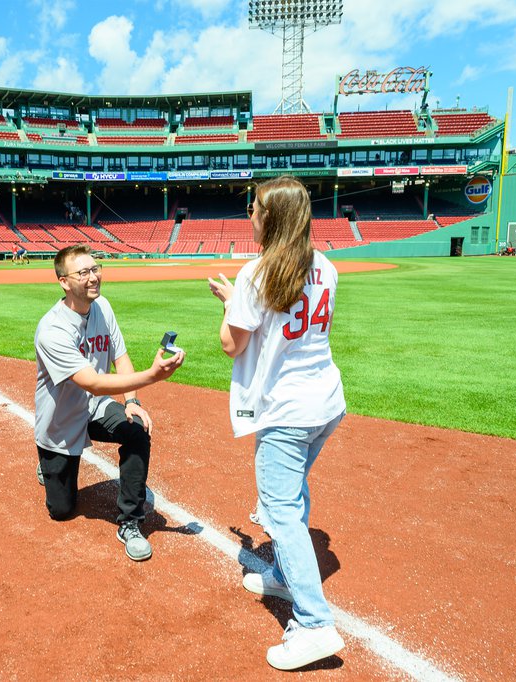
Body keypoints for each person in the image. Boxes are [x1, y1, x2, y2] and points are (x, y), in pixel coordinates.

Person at [208, 175, 347, 671]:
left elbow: (233, 344)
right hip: (326, 401)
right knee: (294, 495)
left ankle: (313, 623)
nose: (250, 214)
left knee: (280, 509)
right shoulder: (325, 265)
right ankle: (288, 577)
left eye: (255, 207)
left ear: (273, 217)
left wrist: (229, 304)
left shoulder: (256, 273)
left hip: (286, 411)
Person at [34, 243, 185, 561]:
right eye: (84, 272)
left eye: (95, 268)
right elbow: (92, 381)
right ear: (64, 281)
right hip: (60, 421)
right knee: (61, 510)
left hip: (93, 406)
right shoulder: (52, 329)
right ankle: (49, 465)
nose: (93, 277)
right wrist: (153, 375)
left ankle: (130, 522)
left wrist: (134, 401)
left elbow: (120, 356)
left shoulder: (103, 307)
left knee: (136, 429)